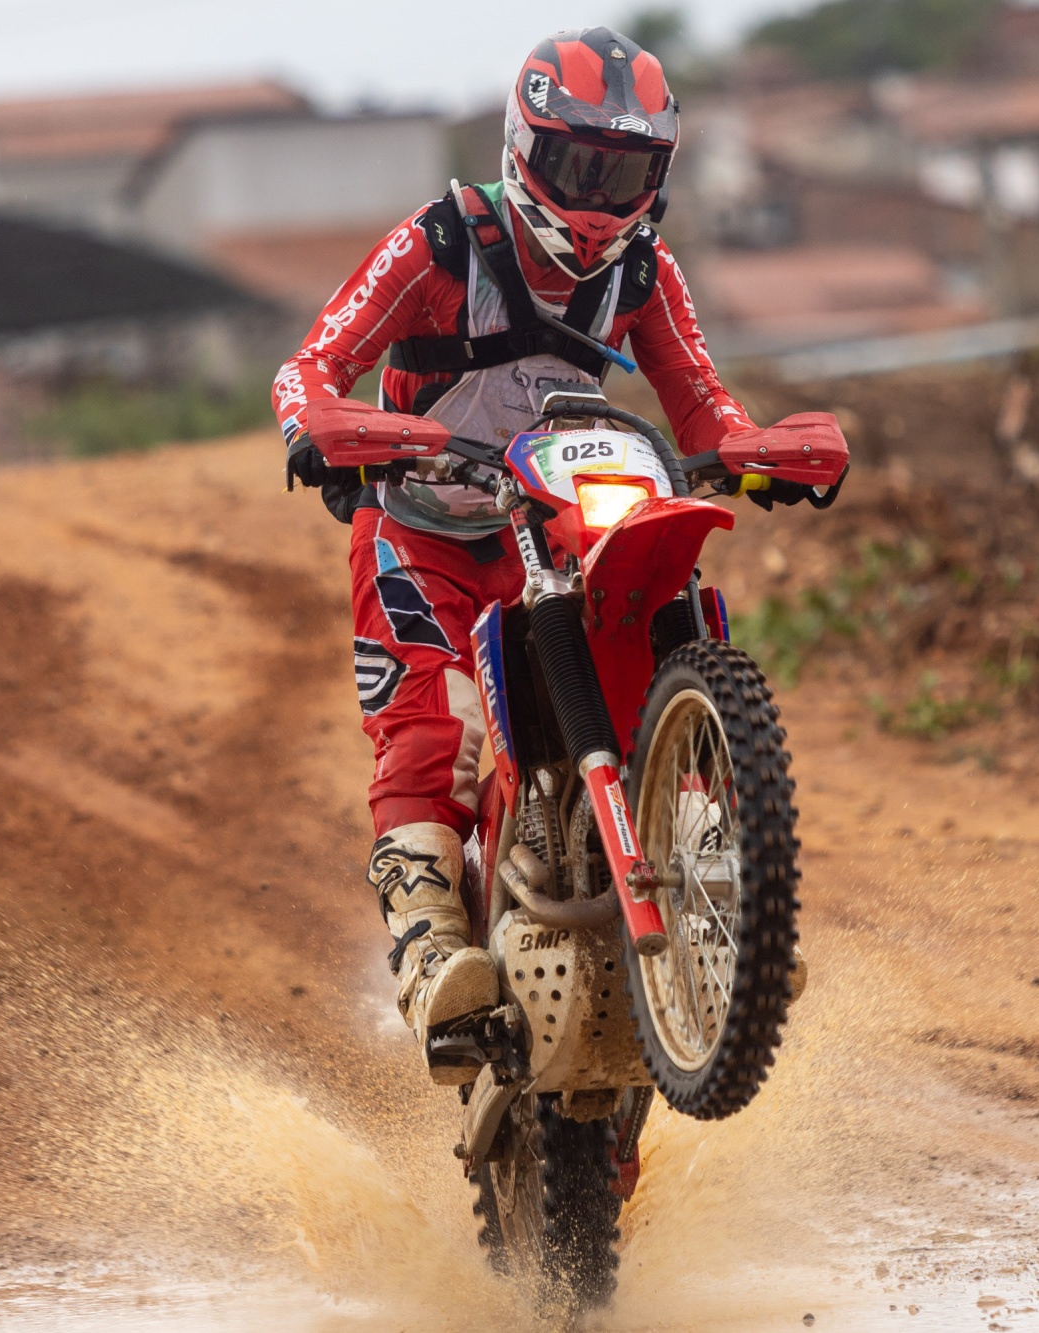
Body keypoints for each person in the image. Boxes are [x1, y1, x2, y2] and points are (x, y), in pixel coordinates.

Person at [272, 26, 822, 1083]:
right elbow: (313, 364)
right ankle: (432, 953)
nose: (598, 198)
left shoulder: (646, 271)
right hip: (423, 528)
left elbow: (699, 401)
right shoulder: (441, 242)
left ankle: (726, 899)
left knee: (659, 634)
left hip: (563, 526)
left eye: (625, 173)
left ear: (658, 177)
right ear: (526, 148)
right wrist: (322, 425)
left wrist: (751, 451)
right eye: (578, 166)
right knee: (430, 737)